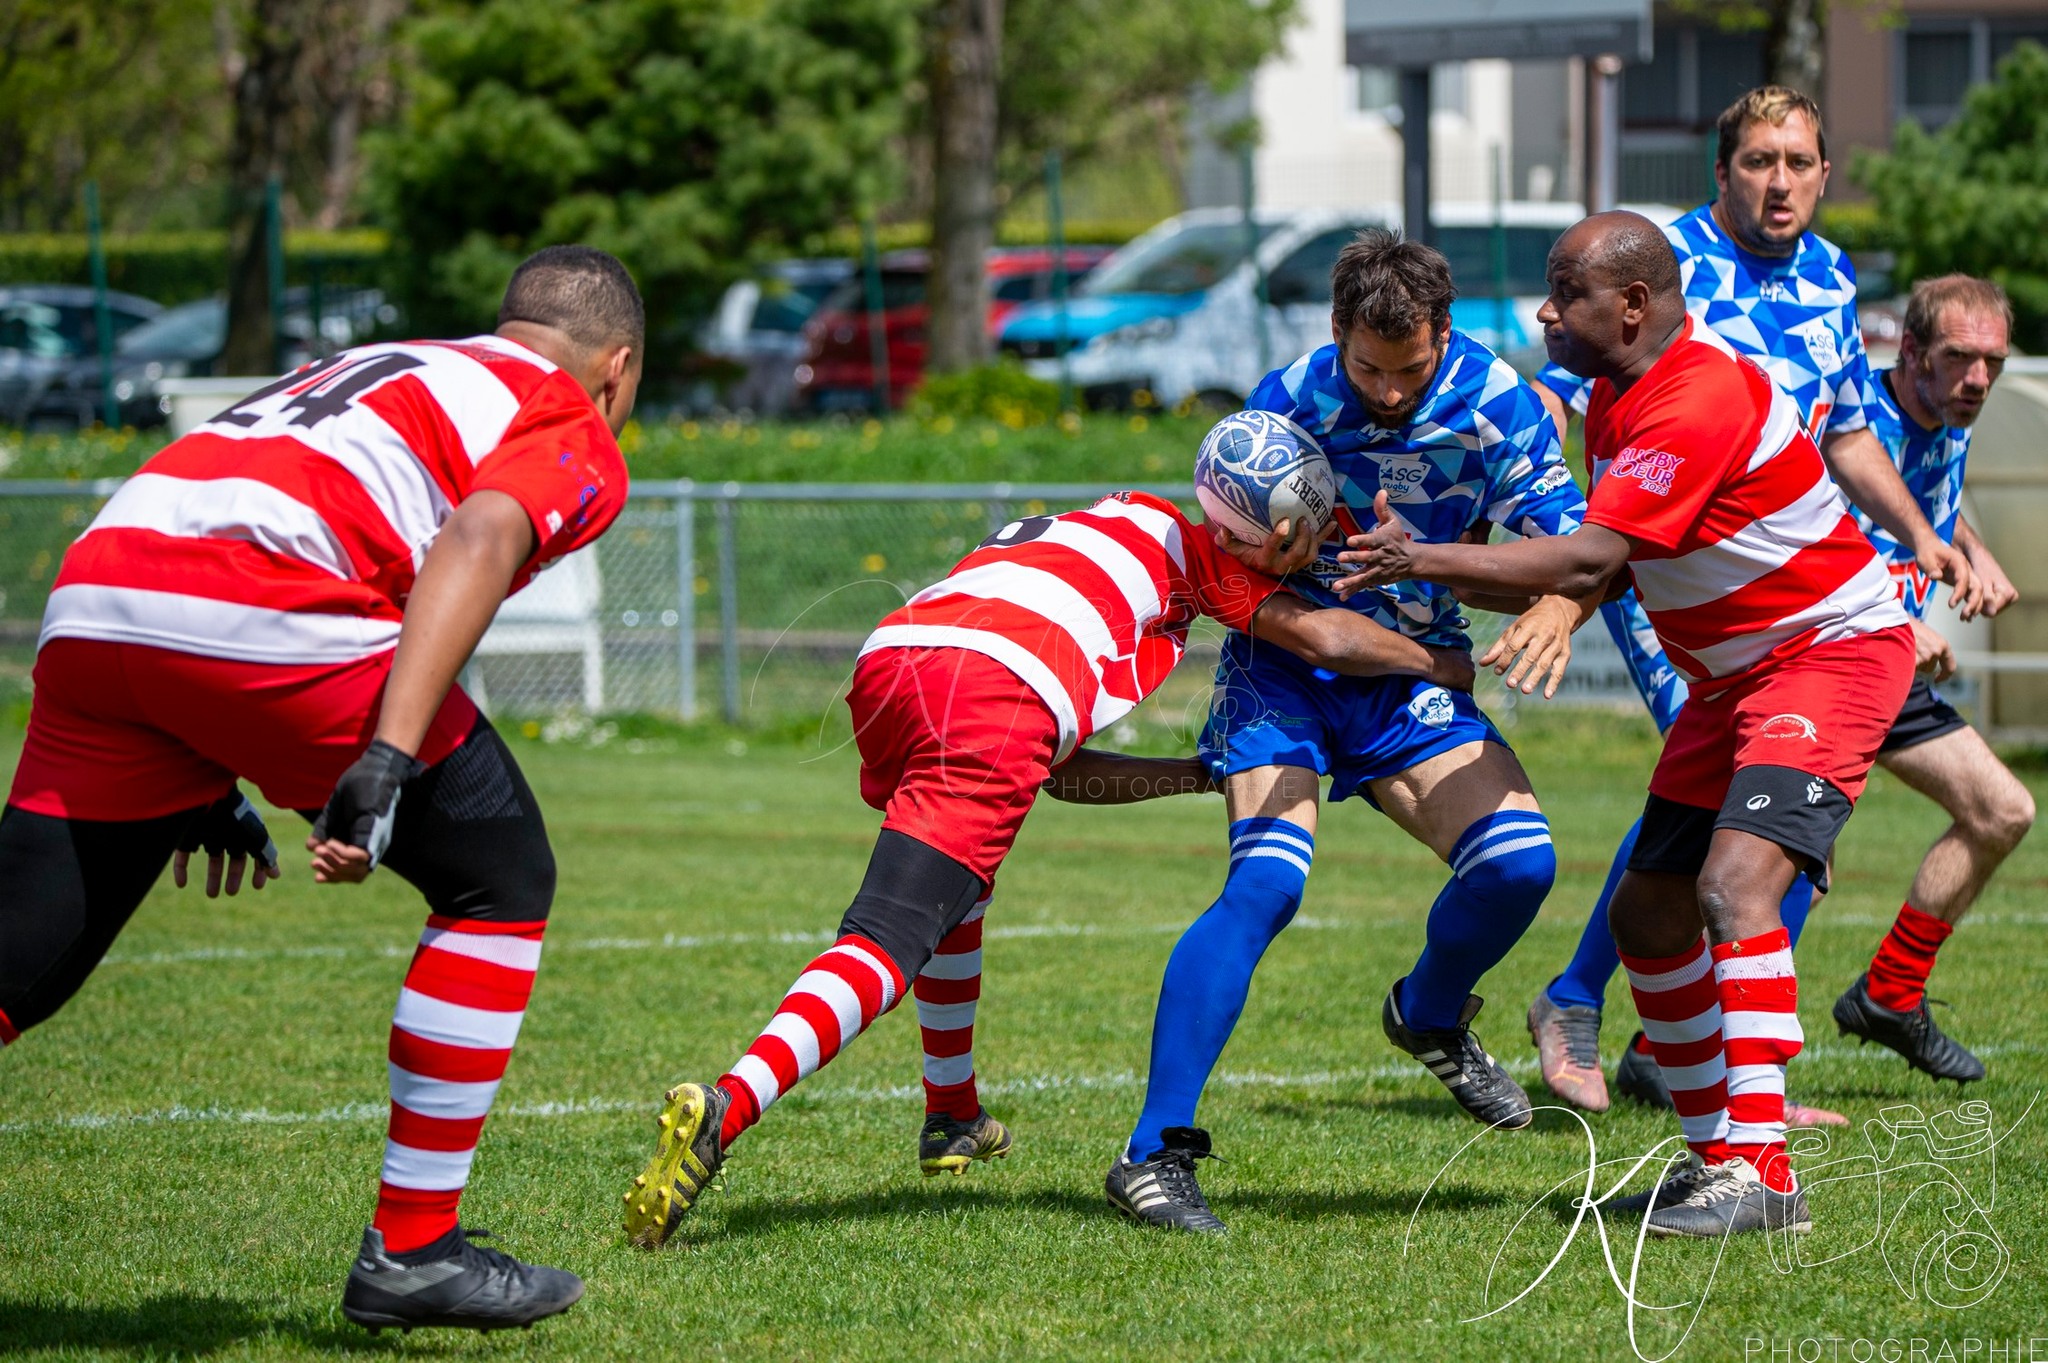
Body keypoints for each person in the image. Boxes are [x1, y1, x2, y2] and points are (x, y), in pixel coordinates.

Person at [619, 486, 1546, 1250]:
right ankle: (728, 1106)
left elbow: (1052, 771)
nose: (1298, 557)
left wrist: (1189, 775)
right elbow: (1329, 640)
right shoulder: (1206, 551)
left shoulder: (1093, 519)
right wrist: (1441, 663)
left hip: (897, 658)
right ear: (1255, 530)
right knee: (891, 934)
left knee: (962, 882)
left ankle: (953, 1113)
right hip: (994, 687)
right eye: (1294, 538)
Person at [0, 245, 644, 1330]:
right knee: (499, 873)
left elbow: (260, 496)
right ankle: (414, 1247)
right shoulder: (565, 413)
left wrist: (199, 761)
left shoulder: (391, 361)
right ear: (616, 369)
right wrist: (386, 755)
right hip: (261, 607)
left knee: (20, 957)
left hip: (100, 590)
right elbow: (481, 535)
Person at [1344, 211, 1916, 1237]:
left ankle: (1763, 1174)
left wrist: (1420, 556)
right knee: (1645, 915)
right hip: (1732, 683)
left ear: (1633, 304)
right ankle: (1713, 1160)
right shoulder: (1620, 401)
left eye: (1565, 293)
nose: (1544, 312)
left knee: (1732, 887)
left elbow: (1587, 559)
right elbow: (1598, 566)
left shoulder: (1696, 397)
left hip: (1826, 655)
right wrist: (1453, 573)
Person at [1102, 229, 1596, 1236]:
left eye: (1407, 368)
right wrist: (1277, 564)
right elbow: (1224, 547)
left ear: (1442, 333)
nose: (1387, 391)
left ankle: (1428, 1011)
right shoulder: (1285, 399)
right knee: (1266, 885)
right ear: (1336, 333)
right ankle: (1152, 1154)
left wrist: (1553, 603)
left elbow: (1575, 547)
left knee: (1518, 866)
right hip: (1286, 665)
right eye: (1367, 369)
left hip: (1407, 676)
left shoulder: (1497, 403)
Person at [1522, 85, 1976, 1111]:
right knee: (1744, 829)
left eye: (1798, 162)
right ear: (1721, 172)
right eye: (1759, 161)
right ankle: (1605, 1013)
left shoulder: (1829, 275)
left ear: (1824, 173)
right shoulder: (1653, 264)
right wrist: (1562, 579)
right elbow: (1563, 395)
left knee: (1775, 829)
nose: (1780, 181)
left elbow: (1845, 430)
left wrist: (1920, 535)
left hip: (1792, 578)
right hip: (1669, 565)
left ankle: (1700, 1066)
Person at [1830, 275, 2031, 1083]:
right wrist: (1890, 615)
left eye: (1993, 362)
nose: (1978, 379)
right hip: (1824, 661)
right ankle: (1649, 1042)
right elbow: (1800, 535)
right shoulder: (1850, 427)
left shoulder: (1949, 416)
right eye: (1959, 358)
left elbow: (1925, 505)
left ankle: (1890, 993)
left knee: (2002, 810)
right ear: (1910, 351)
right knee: (1781, 869)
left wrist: (1975, 552)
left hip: (1890, 670)